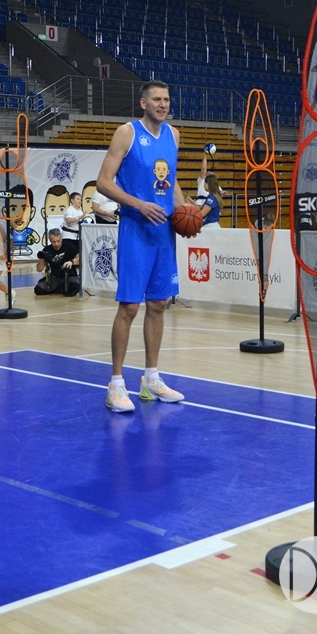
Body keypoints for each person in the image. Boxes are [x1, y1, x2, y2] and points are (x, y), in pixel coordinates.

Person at [96, 81, 186, 413]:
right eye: (157, 99)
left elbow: (171, 180)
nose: (163, 104)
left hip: (164, 232)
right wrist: (138, 204)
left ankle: (151, 379)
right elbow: (103, 182)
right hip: (136, 228)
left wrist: (185, 211)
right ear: (143, 102)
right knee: (130, 307)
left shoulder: (174, 135)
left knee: (159, 304)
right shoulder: (126, 133)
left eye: (167, 99)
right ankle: (116, 384)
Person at [34, 228, 80, 295]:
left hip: (69, 276)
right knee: (38, 290)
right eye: (54, 242)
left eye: (58, 241)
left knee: (74, 289)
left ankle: (60, 289)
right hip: (55, 277)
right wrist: (42, 259)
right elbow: (39, 269)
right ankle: (61, 288)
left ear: (61, 239)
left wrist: (71, 262)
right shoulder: (47, 250)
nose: (56, 244)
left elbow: (80, 258)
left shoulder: (69, 246)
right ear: (50, 240)